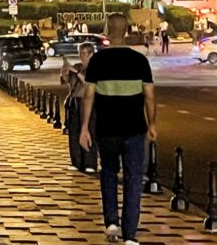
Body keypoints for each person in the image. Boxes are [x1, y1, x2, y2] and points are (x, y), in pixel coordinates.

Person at [80, 13, 156, 245]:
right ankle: (130, 234)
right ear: (126, 31)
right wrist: (152, 124)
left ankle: (111, 222)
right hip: (134, 129)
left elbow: (88, 96)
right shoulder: (139, 61)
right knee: (133, 179)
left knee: (109, 175)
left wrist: (84, 128)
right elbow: (150, 96)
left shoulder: (98, 61)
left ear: (106, 30)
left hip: (107, 128)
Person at [61, 43, 98, 173]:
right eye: (80, 53)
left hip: (88, 102)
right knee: (74, 132)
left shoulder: (94, 68)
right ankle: (76, 161)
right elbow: (66, 81)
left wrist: (77, 72)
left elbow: (89, 83)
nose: (81, 56)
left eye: (84, 53)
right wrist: (65, 71)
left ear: (91, 54)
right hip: (74, 101)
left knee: (90, 131)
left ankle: (90, 162)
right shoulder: (77, 66)